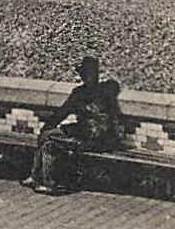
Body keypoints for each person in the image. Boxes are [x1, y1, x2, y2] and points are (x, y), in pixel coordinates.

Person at [24, 56, 124, 195]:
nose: (87, 77)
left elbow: (62, 113)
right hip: (101, 137)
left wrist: (46, 127)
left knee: (49, 142)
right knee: (48, 135)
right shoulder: (104, 91)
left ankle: (47, 182)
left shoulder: (82, 93)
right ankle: (36, 177)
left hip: (92, 138)